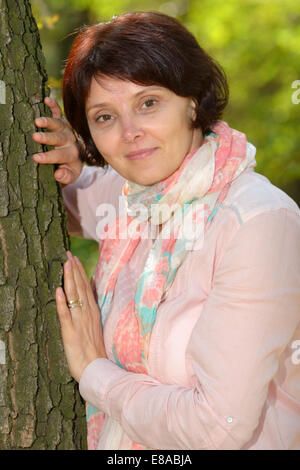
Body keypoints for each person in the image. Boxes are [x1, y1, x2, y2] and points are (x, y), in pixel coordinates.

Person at [31, 11, 300, 450]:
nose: (130, 133)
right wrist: (65, 162)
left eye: (148, 103)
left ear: (193, 99)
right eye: (104, 118)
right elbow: (62, 201)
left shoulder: (258, 224)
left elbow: (217, 428)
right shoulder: (139, 198)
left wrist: (95, 371)